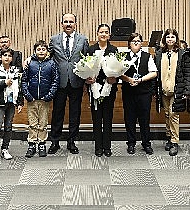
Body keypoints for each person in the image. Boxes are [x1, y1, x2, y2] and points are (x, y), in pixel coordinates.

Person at [48, 13, 89, 155]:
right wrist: (30, 59)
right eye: (65, 22)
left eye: (71, 22)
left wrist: (86, 79)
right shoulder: (54, 39)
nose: (68, 24)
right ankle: (54, 142)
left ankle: (71, 142)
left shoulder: (83, 39)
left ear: (75, 24)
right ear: (61, 24)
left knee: (74, 113)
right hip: (59, 82)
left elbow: (87, 60)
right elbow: (47, 58)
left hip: (76, 82)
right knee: (57, 113)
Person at [119, 33, 158, 155]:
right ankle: (131, 143)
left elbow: (154, 73)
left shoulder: (147, 56)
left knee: (144, 119)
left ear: (141, 43)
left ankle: (146, 143)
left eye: (138, 41)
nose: (136, 43)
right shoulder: (123, 56)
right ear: (129, 44)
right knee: (129, 119)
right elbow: (118, 72)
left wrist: (140, 80)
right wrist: (129, 79)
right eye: (133, 41)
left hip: (144, 93)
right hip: (129, 92)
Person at [154, 29, 190, 156]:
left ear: (176, 39)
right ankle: (169, 137)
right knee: (167, 114)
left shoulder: (182, 53)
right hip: (163, 89)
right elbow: (156, 73)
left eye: (173, 37)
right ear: (165, 39)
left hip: (177, 90)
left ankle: (174, 141)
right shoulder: (159, 54)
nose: (170, 39)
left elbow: (187, 73)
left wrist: (187, 90)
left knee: (174, 114)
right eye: (168, 37)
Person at [85, 24, 119, 157]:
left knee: (108, 117)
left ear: (109, 35)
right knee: (97, 118)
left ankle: (107, 146)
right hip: (95, 88)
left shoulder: (114, 50)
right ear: (97, 34)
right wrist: (88, 79)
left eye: (106, 32)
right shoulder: (90, 49)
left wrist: (114, 78)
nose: (103, 34)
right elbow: (86, 67)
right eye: (101, 32)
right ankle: (98, 146)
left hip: (109, 88)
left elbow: (118, 69)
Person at [21, 40, 59, 158]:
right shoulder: (30, 63)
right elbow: (24, 80)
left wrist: (49, 95)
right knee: (32, 123)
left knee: (43, 122)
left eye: (43, 49)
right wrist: (27, 95)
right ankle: (32, 144)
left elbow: (55, 81)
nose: (41, 51)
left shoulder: (52, 64)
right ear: (35, 51)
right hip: (32, 99)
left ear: (47, 51)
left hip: (44, 99)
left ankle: (42, 143)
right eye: (38, 49)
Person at [0, 48, 23, 163]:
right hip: (0, 103)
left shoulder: (15, 71)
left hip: (11, 103)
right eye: (4, 55)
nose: (7, 57)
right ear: (0, 57)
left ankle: (5, 149)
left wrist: (20, 102)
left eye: (9, 56)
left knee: (8, 127)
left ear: (12, 58)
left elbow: (19, 87)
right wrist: (4, 83)